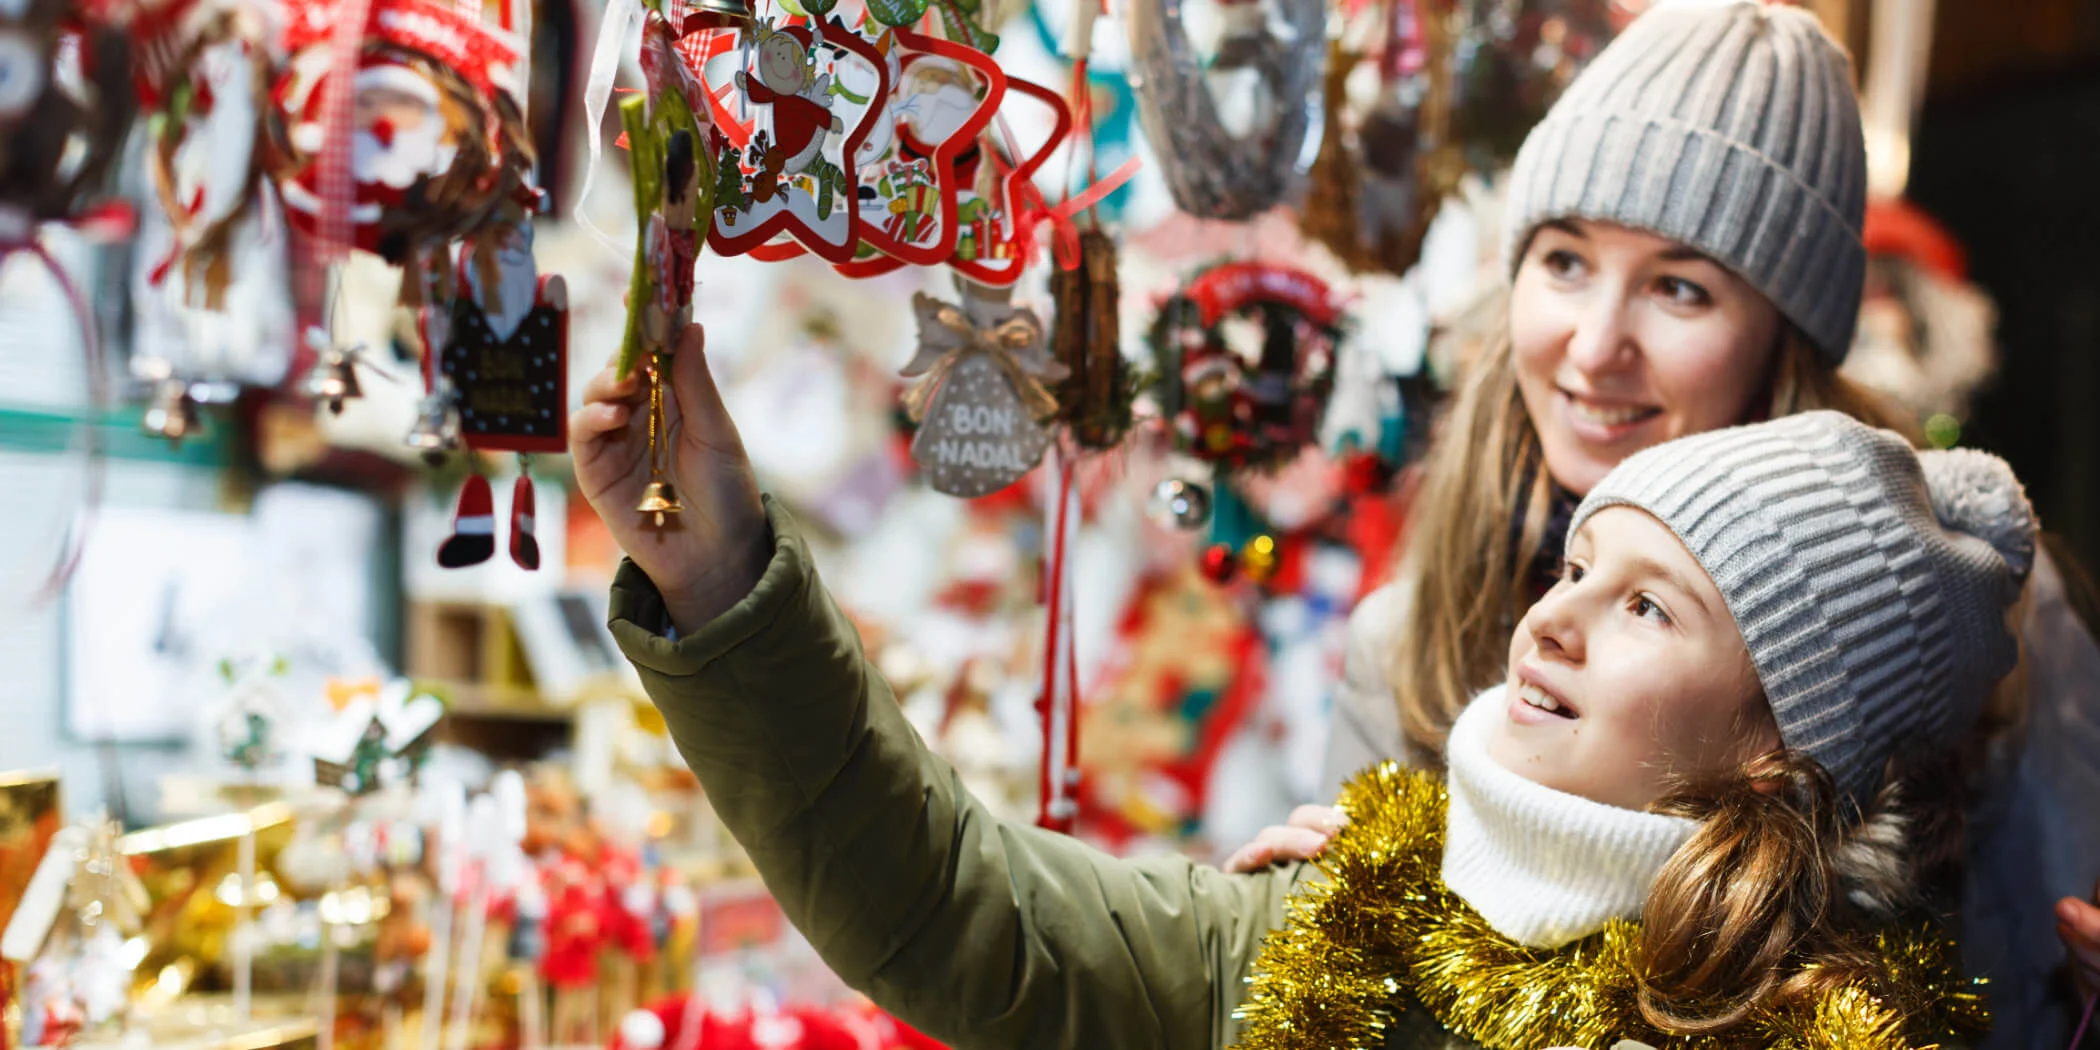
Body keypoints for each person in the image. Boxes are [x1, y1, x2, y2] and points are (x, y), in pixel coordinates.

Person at [577, 280, 2033, 1048]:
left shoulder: (1850, 1038)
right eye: (1576, 569)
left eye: (1652, 608)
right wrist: (721, 574)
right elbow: (947, 898)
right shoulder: (1329, 923)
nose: (1555, 621)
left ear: (1778, 744)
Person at [1209, 3, 2100, 1042]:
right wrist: (1300, 931)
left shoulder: (1972, 625)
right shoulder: (1413, 635)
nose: (1594, 348)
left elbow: (2033, 999)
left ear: (1784, 339)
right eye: (1565, 260)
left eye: (1679, 288)